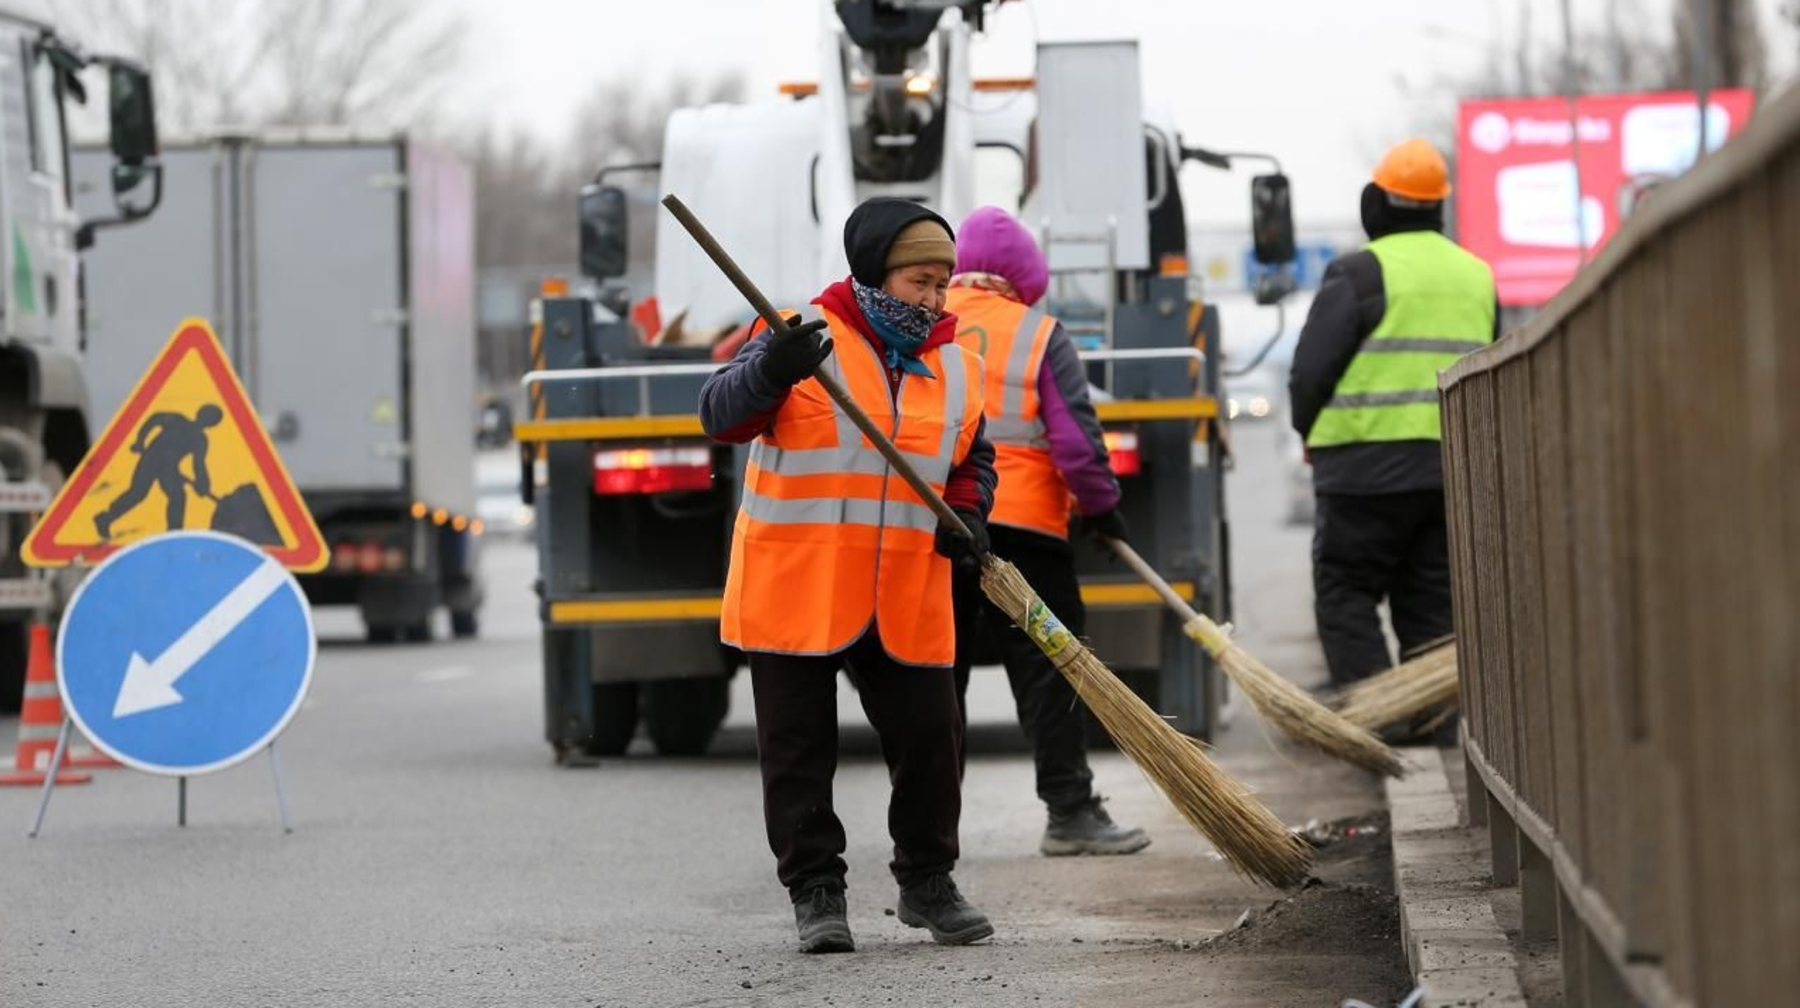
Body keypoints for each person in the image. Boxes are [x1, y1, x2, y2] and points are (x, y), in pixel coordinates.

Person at [698, 197, 998, 954]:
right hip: (795, 584)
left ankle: (928, 882)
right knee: (798, 751)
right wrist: (769, 369)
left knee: (933, 739)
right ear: (873, 272)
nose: (933, 298)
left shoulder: (959, 364)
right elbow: (719, 415)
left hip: (905, 588)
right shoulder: (798, 335)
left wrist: (970, 512)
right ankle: (816, 893)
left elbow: (971, 460)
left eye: (942, 282)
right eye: (918, 281)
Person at [944, 206, 1150, 857]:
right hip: (1025, 529)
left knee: (933, 680)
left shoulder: (923, 323)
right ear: (1026, 275)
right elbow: (1075, 441)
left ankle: (928, 833)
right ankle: (1070, 812)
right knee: (1051, 668)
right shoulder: (1038, 333)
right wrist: (1100, 506)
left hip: (939, 529)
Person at [1287, 138, 1499, 689]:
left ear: (1375, 204)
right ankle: (1435, 719)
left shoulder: (1359, 273)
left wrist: (1307, 430)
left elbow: (1311, 371)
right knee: (1431, 605)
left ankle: (1384, 720)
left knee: (1346, 592)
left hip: (1361, 472)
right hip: (1447, 471)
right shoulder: (1477, 275)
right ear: (1438, 206)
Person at [94, 404, 224, 539]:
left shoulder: (200, 440)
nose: (206, 420)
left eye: (211, 419)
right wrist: (140, 440)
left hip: (169, 468)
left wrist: (203, 484)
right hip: (151, 459)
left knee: (177, 497)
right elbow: (154, 419)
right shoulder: (177, 420)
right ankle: (106, 518)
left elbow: (198, 465)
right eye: (208, 416)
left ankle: (173, 536)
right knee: (138, 493)